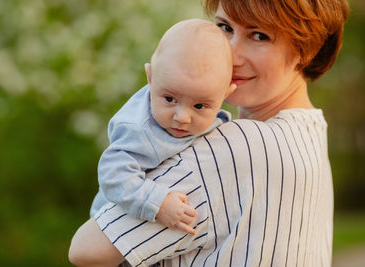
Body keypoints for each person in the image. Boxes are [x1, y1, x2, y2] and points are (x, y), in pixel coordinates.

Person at [69, 0, 349, 266]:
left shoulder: (237, 148)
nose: (232, 55)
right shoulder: (309, 133)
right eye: (225, 28)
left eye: (259, 36)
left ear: (307, 48)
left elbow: (84, 250)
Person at [90, 18, 236, 235]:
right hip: (114, 230)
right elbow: (113, 173)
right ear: (150, 78)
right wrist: (159, 204)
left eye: (199, 105)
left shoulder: (221, 123)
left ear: (225, 96)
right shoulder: (139, 129)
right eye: (169, 99)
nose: (182, 117)